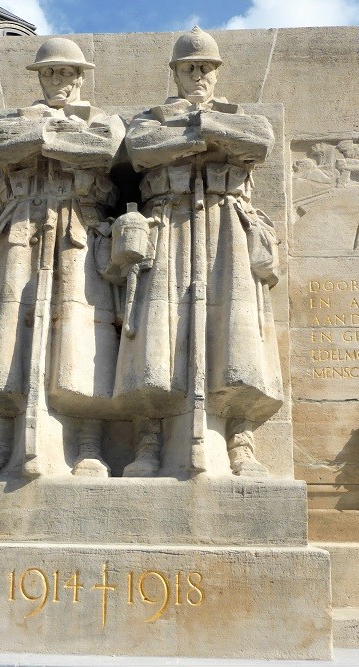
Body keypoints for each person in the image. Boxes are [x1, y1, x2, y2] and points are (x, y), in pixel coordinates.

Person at [117, 27, 283, 477]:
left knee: (237, 335)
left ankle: (240, 438)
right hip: (168, 224)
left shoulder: (238, 115)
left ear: (217, 73)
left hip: (226, 225)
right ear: (175, 73)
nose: (198, 75)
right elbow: (142, 148)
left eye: (206, 68)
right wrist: (204, 137)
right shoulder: (150, 117)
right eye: (189, 67)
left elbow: (259, 141)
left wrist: (203, 127)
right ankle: (149, 438)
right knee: (155, 338)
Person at [0, 38, 125, 477]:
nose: (59, 80)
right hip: (21, 232)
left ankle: (89, 444)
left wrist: (41, 140)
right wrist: (51, 134)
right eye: (50, 72)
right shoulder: (15, 119)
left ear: (81, 76)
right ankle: (1, 443)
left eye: (67, 72)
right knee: (7, 338)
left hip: (77, 230)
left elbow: (103, 150)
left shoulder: (103, 120)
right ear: (39, 77)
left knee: (82, 339)